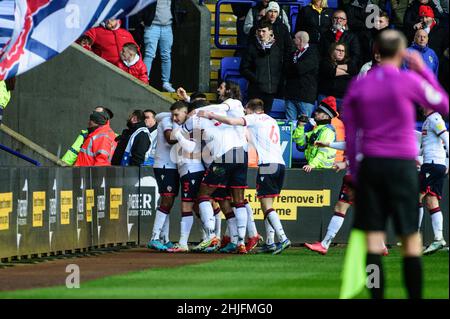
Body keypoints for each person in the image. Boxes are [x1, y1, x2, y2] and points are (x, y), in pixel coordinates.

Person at [343, 29, 448, 299]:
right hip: (402, 166)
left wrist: (355, 172)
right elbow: (444, 105)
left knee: (373, 240)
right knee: (411, 240)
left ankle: (376, 296)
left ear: (376, 52)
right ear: (402, 53)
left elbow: (352, 133)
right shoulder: (408, 80)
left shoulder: (360, 84)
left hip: (371, 166)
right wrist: (423, 71)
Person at [198, 98, 291, 255]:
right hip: (280, 164)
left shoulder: (254, 118)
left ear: (251, 109)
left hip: (267, 165)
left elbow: (231, 120)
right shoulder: (272, 120)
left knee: (266, 205)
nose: (244, 113)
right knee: (268, 204)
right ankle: (270, 241)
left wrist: (210, 114)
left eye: (246, 111)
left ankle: (283, 238)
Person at [147, 101, 188, 251]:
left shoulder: (180, 122)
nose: (175, 117)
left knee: (168, 201)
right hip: (164, 165)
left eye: (177, 115)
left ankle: (164, 238)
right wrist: (191, 134)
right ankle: (154, 237)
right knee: (167, 199)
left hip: (173, 166)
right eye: (174, 114)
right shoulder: (167, 120)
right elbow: (170, 138)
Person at [240, 19, 289, 114]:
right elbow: (243, 68)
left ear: (270, 32)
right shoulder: (251, 48)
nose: (261, 34)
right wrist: (257, 79)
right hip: (256, 90)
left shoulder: (277, 48)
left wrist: (277, 82)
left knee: (266, 118)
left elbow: (281, 67)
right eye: (259, 31)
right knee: (252, 118)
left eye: (264, 31)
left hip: (272, 91)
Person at [418, 106, 449, 254]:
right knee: (431, 201)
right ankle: (439, 239)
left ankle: (413, 235)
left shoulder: (435, 118)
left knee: (416, 196)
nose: (420, 106)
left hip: (432, 164)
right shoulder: (428, 121)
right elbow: (425, 145)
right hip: (431, 163)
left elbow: (446, 138)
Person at [292, 96, 338, 172]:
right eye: (317, 110)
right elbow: (299, 141)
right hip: (316, 168)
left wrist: (312, 165)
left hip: (323, 172)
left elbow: (323, 152)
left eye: (319, 112)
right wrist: (300, 126)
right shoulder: (318, 129)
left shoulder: (328, 131)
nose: (315, 113)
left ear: (326, 116)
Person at [140, 0, 178, 93]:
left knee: (166, 56)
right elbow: (141, 6)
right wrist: (142, 20)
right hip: (152, 26)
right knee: (149, 54)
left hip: (168, 27)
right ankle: (144, 80)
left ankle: (166, 83)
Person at [285, 31, 320, 120]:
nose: (293, 40)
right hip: (291, 94)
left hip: (306, 96)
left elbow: (301, 69)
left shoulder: (313, 52)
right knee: (289, 125)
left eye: (295, 38)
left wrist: (293, 67)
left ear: (300, 40)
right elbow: (285, 68)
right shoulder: (292, 53)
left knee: (303, 126)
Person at [318, 42, 359, 110]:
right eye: (338, 50)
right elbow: (331, 72)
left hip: (342, 99)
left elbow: (354, 70)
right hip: (326, 97)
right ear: (332, 50)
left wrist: (335, 66)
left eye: (343, 51)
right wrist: (346, 72)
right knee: (324, 119)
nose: (341, 52)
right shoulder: (326, 61)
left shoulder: (349, 62)